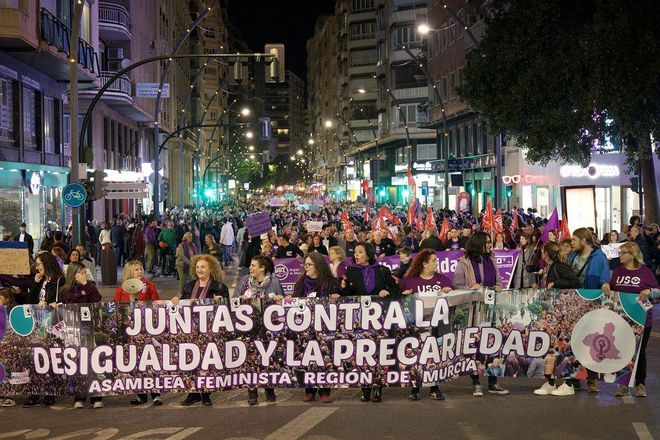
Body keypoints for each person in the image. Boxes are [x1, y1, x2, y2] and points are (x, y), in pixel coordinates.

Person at [342, 242, 400, 403]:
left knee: (379, 353)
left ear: (368, 254)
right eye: (355, 252)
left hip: (380, 320)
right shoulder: (351, 272)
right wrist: (343, 287)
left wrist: (387, 291)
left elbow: (396, 289)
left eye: (360, 252)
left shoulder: (382, 270)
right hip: (360, 321)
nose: (356, 255)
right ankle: (365, 387)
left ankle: (377, 387)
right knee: (362, 353)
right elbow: (347, 295)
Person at [453, 231, 509, 397]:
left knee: (491, 345)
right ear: (478, 243)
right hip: (474, 311)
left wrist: (499, 286)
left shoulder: (491, 258)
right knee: (474, 348)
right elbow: (457, 285)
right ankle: (476, 382)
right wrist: (472, 288)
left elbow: (499, 280)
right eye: (487, 242)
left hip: (491, 309)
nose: (490, 246)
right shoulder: (464, 262)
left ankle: (493, 382)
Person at [602, 242, 658, 398]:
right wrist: (606, 285)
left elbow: (657, 291)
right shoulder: (618, 272)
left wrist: (649, 291)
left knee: (640, 352)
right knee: (623, 351)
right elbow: (612, 290)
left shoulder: (645, 272)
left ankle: (641, 384)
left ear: (632, 254)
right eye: (620, 253)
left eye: (623, 253)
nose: (620, 255)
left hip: (641, 318)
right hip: (621, 319)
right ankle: (623, 383)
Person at [172, 254, 229, 406]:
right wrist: (176, 300)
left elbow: (227, 310)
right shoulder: (189, 286)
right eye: (197, 267)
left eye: (203, 267)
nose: (199, 270)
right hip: (191, 330)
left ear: (211, 269)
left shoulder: (220, 287)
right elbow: (183, 305)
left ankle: (205, 394)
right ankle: (193, 393)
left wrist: (220, 302)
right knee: (191, 362)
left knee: (206, 363)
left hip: (210, 331)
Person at [400, 249, 452, 401]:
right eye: (434, 260)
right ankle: (415, 388)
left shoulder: (443, 280)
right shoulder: (410, 281)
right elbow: (402, 304)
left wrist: (448, 292)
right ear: (424, 263)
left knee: (434, 359)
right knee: (417, 358)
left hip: (437, 328)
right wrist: (405, 296)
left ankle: (434, 388)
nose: (437, 263)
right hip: (417, 328)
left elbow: (451, 302)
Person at [234, 255, 284, 405]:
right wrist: (240, 299)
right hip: (250, 328)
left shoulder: (274, 282)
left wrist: (280, 298)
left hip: (268, 328)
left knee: (268, 358)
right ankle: (252, 391)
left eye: (253, 265)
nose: (250, 268)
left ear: (262, 268)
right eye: (250, 265)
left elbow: (283, 300)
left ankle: (269, 388)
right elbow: (235, 300)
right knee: (251, 359)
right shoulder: (244, 281)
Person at [293, 253, 341, 403]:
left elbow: (341, 301)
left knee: (324, 358)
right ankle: (309, 389)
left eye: (309, 265)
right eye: (305, 265)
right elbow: (295, 303)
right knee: (308, 358)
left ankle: (324, 389)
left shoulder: (331, 282)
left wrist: (336, 297)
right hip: (307, 328)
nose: (305, 267)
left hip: (325, 327)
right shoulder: (301, 283)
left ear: (318, 266)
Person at [568, 227, 611, 393]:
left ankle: (592, 379)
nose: (572, 243)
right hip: (573, 304)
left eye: (574, 240)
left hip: (590, 305)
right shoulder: (572, 256)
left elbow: (604, 277)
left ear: (584, 241)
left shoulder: (599, 257)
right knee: (574, 341)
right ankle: (575, 376)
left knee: (590, 342)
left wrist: (605, 284)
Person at [58, 262, 103, 408]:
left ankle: (96, 396)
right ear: (74, 273)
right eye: (81, 272)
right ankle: (79, 396)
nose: (84, 274)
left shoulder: (90, 286)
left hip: (88, 330)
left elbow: (97, 299)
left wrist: (85, 285)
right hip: (72, 332)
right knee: (77, 364)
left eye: (85, 272)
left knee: (91, 363)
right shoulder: (65, 291)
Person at [24, 252, 64, 407]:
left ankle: (50, 391)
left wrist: (50, 303)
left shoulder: (58, 280)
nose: (37, 267)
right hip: (37, 322)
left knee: (50, 358)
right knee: (35, 359)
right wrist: (34, 284)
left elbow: (60, 300)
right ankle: (35, 391)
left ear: (47, 264)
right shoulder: (39, 280)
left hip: (52, 324)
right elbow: (30, 301)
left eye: (40, 264)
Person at [176, 232, 198, 296]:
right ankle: (181, 294)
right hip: (182, 265)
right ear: (185, 238)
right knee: (183, 281)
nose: (191, 238)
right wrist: (190, 263)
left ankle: (192, 293)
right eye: (190, 237)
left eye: (191, 236)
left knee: (193, 279)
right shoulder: (181, 245)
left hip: (191, 265)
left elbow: (196, 254)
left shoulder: (193, 245)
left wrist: (195, 261)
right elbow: (182, 256)